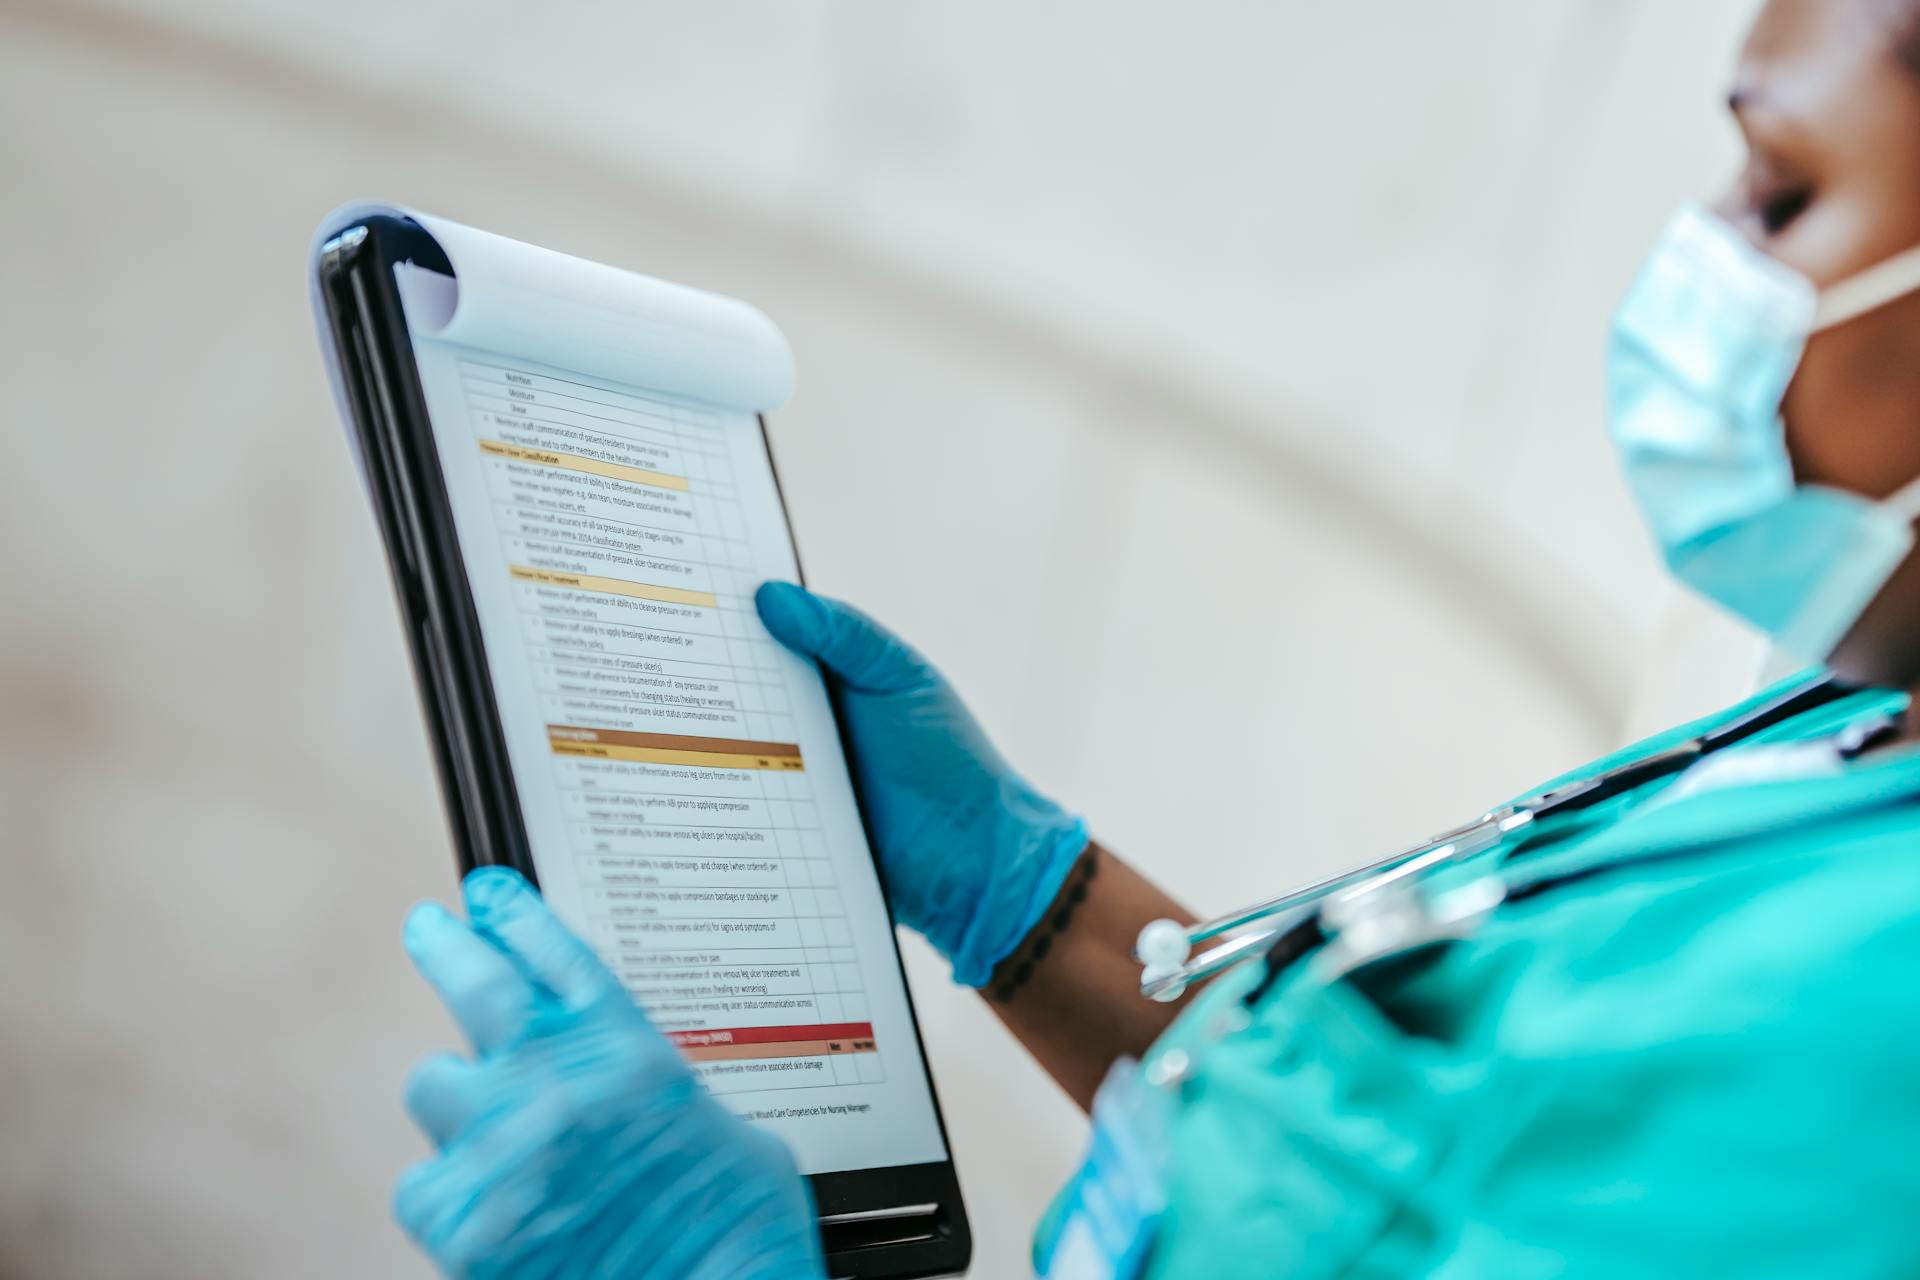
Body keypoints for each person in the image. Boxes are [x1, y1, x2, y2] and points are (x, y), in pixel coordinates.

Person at [387, 0, 1920, 1274]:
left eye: (1776, 191)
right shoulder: (1837, 723)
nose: (1703, 262)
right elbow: (1381, 1177)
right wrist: (1037, 903)